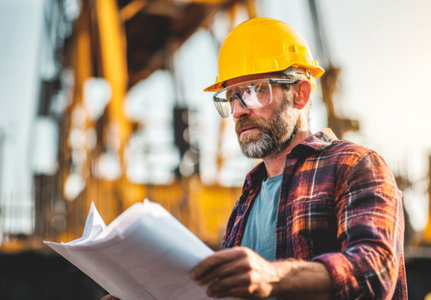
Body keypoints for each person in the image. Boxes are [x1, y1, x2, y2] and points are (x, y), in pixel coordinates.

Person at [102, 17, 407, 300]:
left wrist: (274, 275)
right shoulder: (248, 196)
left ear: (300, 94)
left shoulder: (354, 165)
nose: (237, 111)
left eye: (253, 91)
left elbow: (375, 270)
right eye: (231, 97)